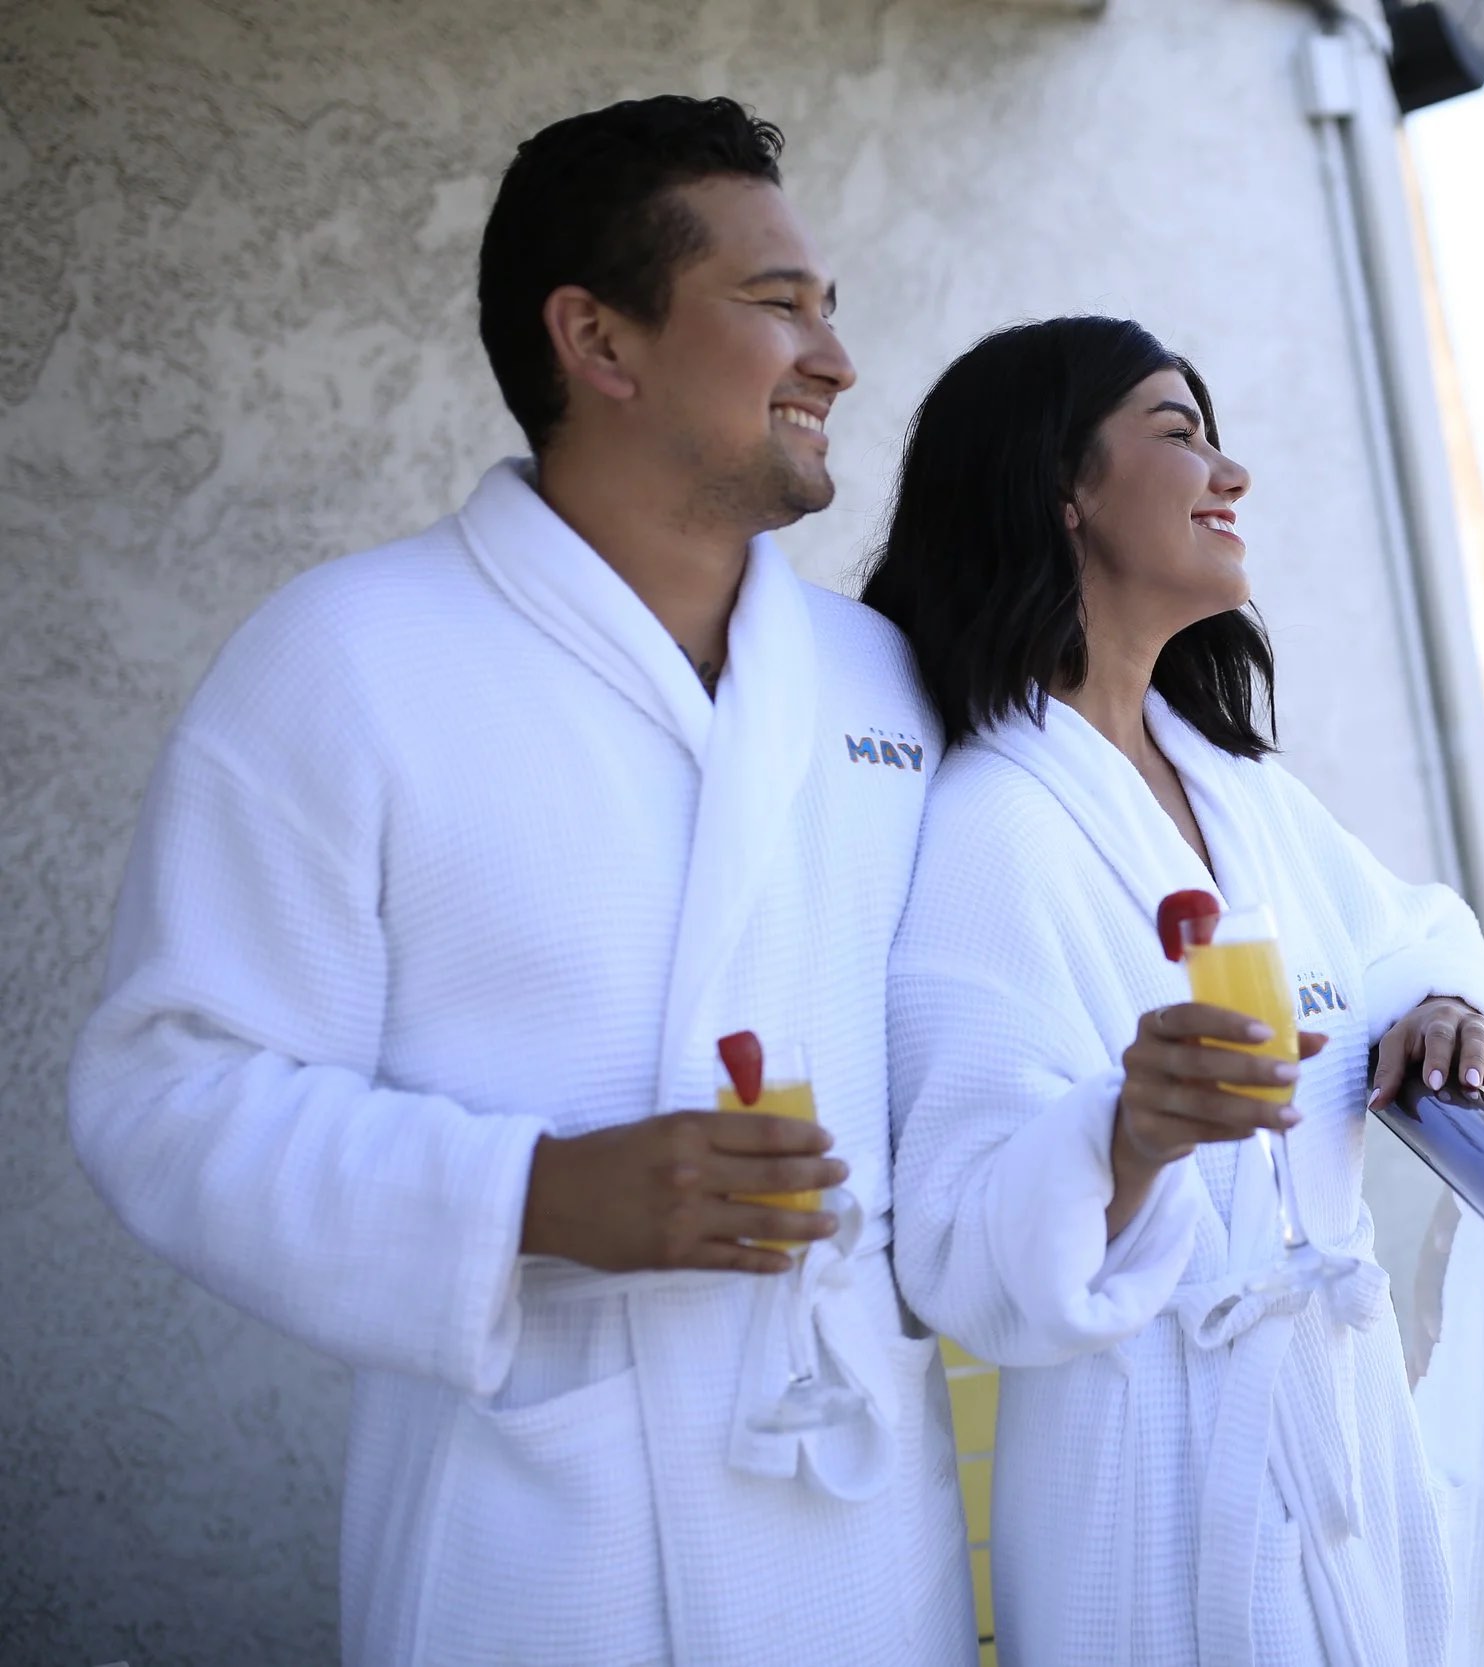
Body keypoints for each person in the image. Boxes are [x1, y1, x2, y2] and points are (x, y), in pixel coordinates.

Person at [67, 97, 974, 1665]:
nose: (834, 356)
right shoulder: (348, 659)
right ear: (598, 343)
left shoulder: (877, 680)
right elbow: (168, 1091)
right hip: (540, 1539)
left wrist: (1422, 986)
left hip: (854, 1533)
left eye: (832, 309)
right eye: (777, 307)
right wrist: (532, 1197)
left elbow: (983, 1006)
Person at [867, 316, 1484, 1666]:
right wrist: (1126, 1133)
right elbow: (957, 1241)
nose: (1231, 474)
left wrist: (1446, 1005)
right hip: (1150, 1500)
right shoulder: (995, 823)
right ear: (1061, 490)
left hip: (1336, 1434)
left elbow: (1411, 930)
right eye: (1178, 436)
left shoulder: (1232, 782)